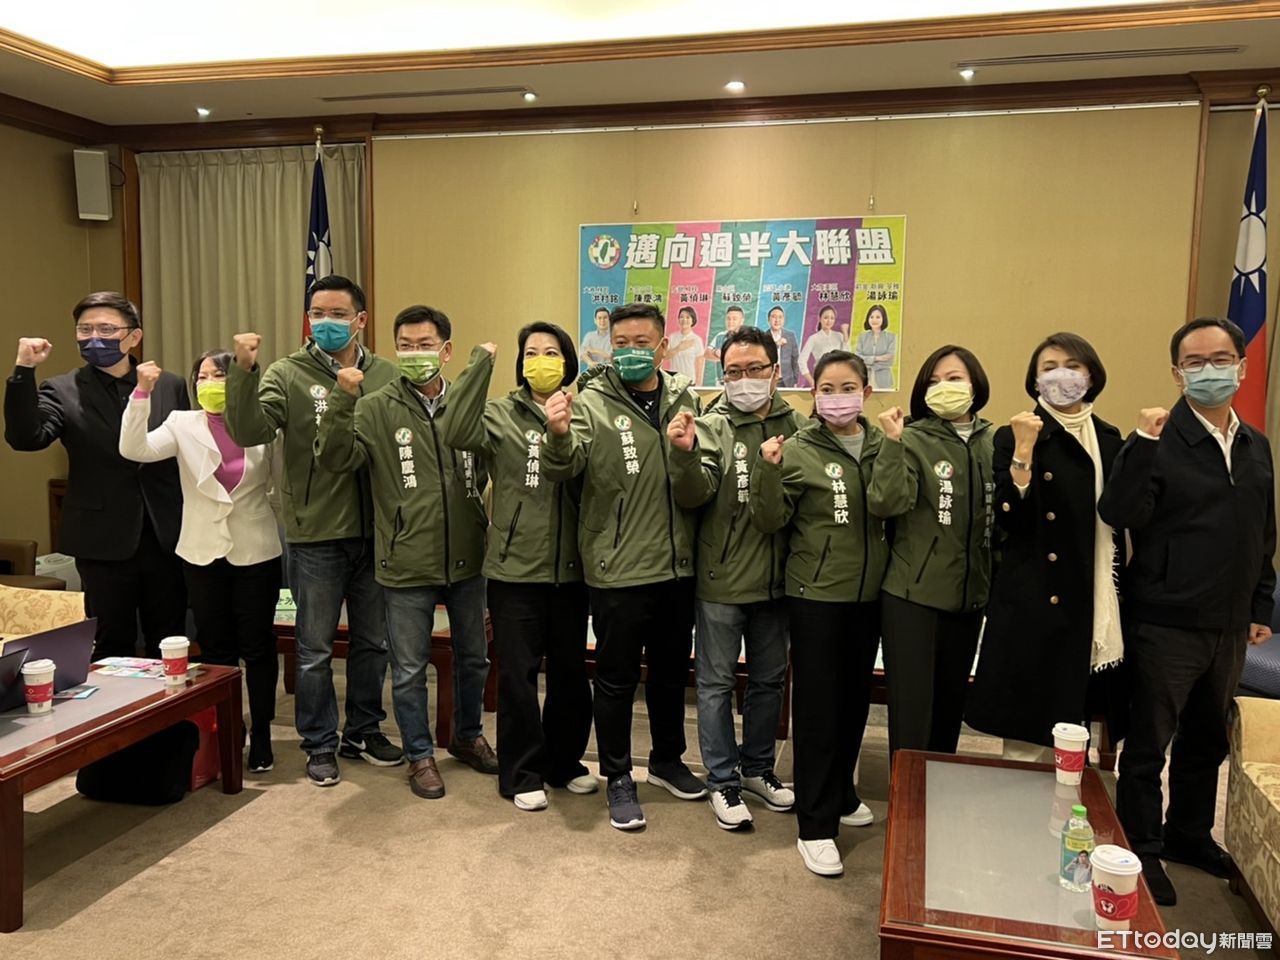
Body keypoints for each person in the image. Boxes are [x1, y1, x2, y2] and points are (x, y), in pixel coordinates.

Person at [1099, 317, 1275, 906]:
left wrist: (1260, 603)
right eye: (1194, 362)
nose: (1208, 371)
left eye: (1220, 359)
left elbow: (1263, 532)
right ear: (1177, 374)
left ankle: (1189, 835)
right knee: (1149, 745)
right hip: (1165, 620)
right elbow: (1119, 511)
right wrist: (1142, 444)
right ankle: (1141, 846)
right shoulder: (1157, 439)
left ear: (1241, 366)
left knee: (1206, 741)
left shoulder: (1256, 445)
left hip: (1230, 623)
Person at [225, 275, 403, 787]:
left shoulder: (386, 373)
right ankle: (320, 741)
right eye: (317, 314)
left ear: (360, 320)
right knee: (315, 648)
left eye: (337, 314)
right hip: (316, 530)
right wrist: (244, 370)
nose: (326, 323)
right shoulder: (288, 373)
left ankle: (363, 730)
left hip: (378, 532)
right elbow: (249, 430)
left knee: (373, 643)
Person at [316, 305, 496, 800]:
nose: (415, 354)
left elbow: (483, 468)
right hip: (405, 558)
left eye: (425, 345)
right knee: (410, 667)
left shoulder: (468, 402)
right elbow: (335, 458)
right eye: (406, 346)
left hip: (467, 555)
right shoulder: (375, 406)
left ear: (446, 351)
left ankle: (467, 736)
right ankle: (419, 754)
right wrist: (342, 399)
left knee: (474, 658)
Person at [542, 301, 704, 831]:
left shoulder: (686, 398)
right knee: (615, 679)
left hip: (676, 566)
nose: (631, 352)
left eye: (642, 343)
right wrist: (558, 434)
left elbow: (698, 480)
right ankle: (617, 775)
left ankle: (666, 760)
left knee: (671, 675)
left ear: (663, 347)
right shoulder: (590, 403)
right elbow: (566, 466)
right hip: (617, 567)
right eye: (622, 344)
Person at [442, 322, 597, 811]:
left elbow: (573, 467)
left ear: (567, 362)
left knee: (570, 674)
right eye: (531, 353)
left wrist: (560, 428)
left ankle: (564, 763)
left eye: (551, 352)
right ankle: (521, 772)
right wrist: (478, 366)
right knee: (517, 677)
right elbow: (455, 429)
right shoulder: (500, 414)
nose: (540, 361)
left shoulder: (583, 412)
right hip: (513, 569)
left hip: (572, 568)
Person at [750, 350, 889, 877]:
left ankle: (842, 793)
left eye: (848, 387)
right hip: (816, 597)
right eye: (827, 389)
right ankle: (815, 825)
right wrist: (767, 470)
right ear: (813, 394)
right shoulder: (799, 449)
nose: (837, 398)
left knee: (854, 704)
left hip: (869, 596)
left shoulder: (881, 445)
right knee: (817, 711)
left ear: (866, 392)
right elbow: (769, 519)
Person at [666, 326, 806, 831]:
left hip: (778, 582)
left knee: (769, 681)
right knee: (716, 684)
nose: (744, 379)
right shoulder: (711, 425)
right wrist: (684, 454)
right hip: (721, 579)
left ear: (775, 371)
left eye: (754, 369)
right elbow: (693, 495)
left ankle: (757, 768)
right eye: (733, 371)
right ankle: (722, 778)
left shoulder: (798, 426)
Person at [119, 350, 282, 772]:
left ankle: (263, 731)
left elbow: (281, 481)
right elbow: (134, 448)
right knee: (215, 647)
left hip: (256, 549)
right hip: (201, 550)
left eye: (219, 375)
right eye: (202, 376)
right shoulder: (181, 423)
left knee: (258, 646)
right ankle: (228, 728)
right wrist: (142, 393)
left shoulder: (263, 424)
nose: (209, 383)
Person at [967, 333, 1127, 763]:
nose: (1062, 375)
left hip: (1091, 599)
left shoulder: (1109, 439)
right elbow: (1011, 520)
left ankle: (1067, 799)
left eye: (1073, 366)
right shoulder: (1012, 435)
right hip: (1034, 602)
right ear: (1035, 380)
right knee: (1026, 739)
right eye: (1049, 367)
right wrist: (1024, 450)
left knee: (1073, 734)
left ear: (1091, 375)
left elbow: (1122, 515)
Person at [5, 292, 187, 659]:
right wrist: (24, 370)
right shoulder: (62, 389)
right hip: (102, 538)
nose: (94, 338)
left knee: (169, 639)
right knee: (112, 643)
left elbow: (184, 451)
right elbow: (26, 439)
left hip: (165, 532)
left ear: (134, 336)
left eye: (106, 329)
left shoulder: (169, 385)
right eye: (85, 330)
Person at [868, 345, 994, 755]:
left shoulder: (994, 441)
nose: (944, 387)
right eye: (934, 382)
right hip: (912, 596)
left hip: (969, 596)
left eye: (954, 379)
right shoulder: (912, 438)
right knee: (912, 714)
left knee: (949, 709)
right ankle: (907, 794)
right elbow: (886, 503)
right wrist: (891, 443)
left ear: (975, 384)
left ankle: (939, 790)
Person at [798, 306, 848, 385]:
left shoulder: (839, 336)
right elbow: (801, 360)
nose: (829, 321)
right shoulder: (814, 338)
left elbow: (846, 357)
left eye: (832, 318)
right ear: (820, 318)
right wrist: (812, 382)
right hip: (822, 376)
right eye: (826, 317)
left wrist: (845, 334)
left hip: (839, 377)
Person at [853, 305, 897, 391]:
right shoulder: (862, 337)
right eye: (871, 317)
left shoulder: (891, 337)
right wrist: (876, 358)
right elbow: (857, 357)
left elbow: (890, 360)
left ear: (883, 319)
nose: (874, 320)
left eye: (878, 317)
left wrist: (867, 361)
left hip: (884, 380)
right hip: (865, 378)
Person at [704, 305, 746, 384]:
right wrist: (715, 352)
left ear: (742, 321)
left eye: (734, 319)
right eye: (728, 319)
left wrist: (724, 356)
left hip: (740, 382)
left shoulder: (748, 337)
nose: (730, 322)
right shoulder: (720, 336)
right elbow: (706, 353)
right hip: (721, 382)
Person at [666, 306, 705, 385]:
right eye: (681, 317)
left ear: (693, 320)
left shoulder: (697, 340)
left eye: (688, 317)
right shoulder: (672, 337)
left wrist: (698, 383)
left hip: (690, 381)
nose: (684, 320)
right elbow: (666, 356)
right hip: (674, 381)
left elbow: (700, 363)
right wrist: (678, 348)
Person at [767, 306, 801, 388]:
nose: (777, 320)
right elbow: (763, 356)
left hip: (787, 380)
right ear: (768, 320)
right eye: (774, 317)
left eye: (780, 317)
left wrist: (795, 379)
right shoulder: (763, 337)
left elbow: (795, 358)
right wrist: (776, 344)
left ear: (784, 320)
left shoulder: (790, 336)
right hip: (769, 380)